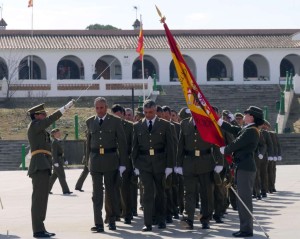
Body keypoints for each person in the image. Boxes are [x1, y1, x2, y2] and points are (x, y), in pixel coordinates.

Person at [27, 100, 74, 238]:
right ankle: (37, 229)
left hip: (44, 164)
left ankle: (40, 227)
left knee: (42, 199)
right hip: (39, 165)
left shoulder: (39, 128)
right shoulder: (34, 126)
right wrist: (64, 108)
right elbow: (50, 120)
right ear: (36, 115)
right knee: (38, 199)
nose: (45, 115)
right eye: (43, 113)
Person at [218, 106, 265, 238]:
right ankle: (244, 227)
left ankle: (247, 229)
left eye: (247, 113)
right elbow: (234, 129)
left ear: (252, 117)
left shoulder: (251, 131)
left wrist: (225, 149)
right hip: (242, 166)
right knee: (241, 199)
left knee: (244, 200)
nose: (244, 115)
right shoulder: (248, 129)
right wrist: (220, 122)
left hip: (245, 168)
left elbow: (237, 143)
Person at [132, 99, 174, 232]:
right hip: (144, 164)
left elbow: (170, 147)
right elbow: (135, 147)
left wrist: (169, 166)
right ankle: (148, 222)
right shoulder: (138, 126)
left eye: (150, 112)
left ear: (156, 111)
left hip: (160, 162)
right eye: (145, 112)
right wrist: (135, 165)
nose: (148, 115)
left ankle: (161, 220)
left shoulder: (165, 125)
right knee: (147, 193)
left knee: (160, 193)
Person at [87, 97, 127, 232]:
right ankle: (98, 223)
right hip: (95, 161)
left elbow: (122, 143)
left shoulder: (115, 121)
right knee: (96, 194)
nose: (99, 110)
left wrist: (123, 163)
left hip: (111, 160)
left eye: (102, 108)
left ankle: (111, 220)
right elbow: (88, 143)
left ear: (106, 107)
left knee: (111, 192)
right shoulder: (90, 122)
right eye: (97, 108)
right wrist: (87, 161)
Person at [177, 114, 224, 230]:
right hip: (189, 162)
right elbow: (180, 145)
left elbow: (216, 143)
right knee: (189, 193)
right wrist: (178, 164)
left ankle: (205, 219)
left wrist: (220, 162)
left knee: (206, 193)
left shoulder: (209, 123)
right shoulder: (184, 124)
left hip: (206, 162)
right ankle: (189, 219)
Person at [48, 128, 72, 195]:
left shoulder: (59, 141)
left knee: (54, 177)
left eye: (59, 133)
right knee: (62, 176)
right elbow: (54, 153)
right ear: (54, 134)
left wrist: (65, 159)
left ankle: (47, 189)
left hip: (60, 160)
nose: (59, 134)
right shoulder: (54, 142)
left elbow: (62, 152)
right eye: (58, 133)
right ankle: (66, 190)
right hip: (57, 161)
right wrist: (55, 162)